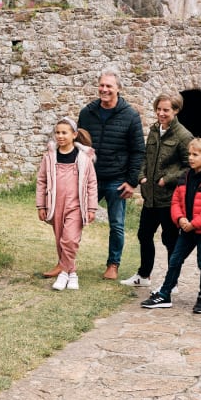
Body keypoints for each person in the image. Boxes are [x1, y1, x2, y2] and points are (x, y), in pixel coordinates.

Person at [141, 138, 201, 313]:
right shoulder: (185, 177)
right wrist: (180, 219)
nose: (190, 158)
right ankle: (165, 293)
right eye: (189, 154)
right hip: (186, 228)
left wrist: (193, 224)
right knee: (175, 260)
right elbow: (176, 201)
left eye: (195, 154)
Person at [77, 66, 145, 279]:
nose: (104, 89)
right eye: (102, 85)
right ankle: (66, 261)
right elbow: (78, 144)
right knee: (74, 218)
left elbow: (138, 151)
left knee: (116, 224)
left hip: (117, 179)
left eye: (109, 86)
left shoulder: (130, 115)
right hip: (91, 177)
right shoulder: (87, 113)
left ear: (118, 89)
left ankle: (113, 264)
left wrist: (132, 182)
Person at [121, 93, 193, 288]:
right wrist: (141, 176)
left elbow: (190, 167)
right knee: (144, 235)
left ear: (176, 110)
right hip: (150, 197)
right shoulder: (154, 130)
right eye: (158, 109)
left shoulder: (184, 136)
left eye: (166, 110)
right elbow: (146, 156)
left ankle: (172, 283)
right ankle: (143, 276)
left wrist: (167, 179)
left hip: (170, 199)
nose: (161, 113)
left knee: (170, 240)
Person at [36, 117, 98, 290]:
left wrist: (92, 207)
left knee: (69, 240)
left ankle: (65, 272)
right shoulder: (49, 157)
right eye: (57, 132)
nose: (60, 136)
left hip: (76, 206)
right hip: (55, 205)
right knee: (59, 240)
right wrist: (41, 205)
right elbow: (41, 181)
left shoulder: (84, 158)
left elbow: (92, 183)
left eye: (64, 132)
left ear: (74, 135)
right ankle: (71, 275)